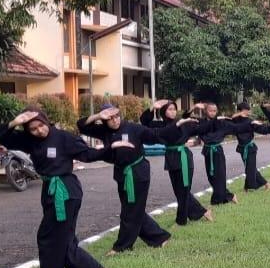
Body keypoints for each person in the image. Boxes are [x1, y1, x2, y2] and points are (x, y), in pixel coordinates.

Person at [0, 109, 130, 268]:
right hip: (49, 190)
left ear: (46, 121)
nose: (39, 131)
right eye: (33, 129)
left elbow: (88, 155)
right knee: (64, 240)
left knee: (49, 238)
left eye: (41, 125)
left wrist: (110, 147)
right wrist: (14, 122)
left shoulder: (63, 138)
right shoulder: (29, 140)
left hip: (66, 192)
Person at [78, 105, 188, 255]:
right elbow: (81, 125)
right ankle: (160, 238)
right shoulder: (103, 130)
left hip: (138, 172)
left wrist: (176, 126)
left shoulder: (133, 128)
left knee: (129, 211)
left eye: (117, 116)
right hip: (121, 174)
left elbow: (156, 134)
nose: (115, 120)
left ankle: (122, 247)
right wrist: (98, 116)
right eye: (110, 118)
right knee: (134, 210)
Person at [140, 99, 214, 225]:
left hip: (184, 158)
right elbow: (144, 122)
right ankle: (201, 212)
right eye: (170, 109)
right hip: (171, 158)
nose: (173, 111)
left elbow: (202, 127)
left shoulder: (183, 123)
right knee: (179, 191)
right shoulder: (160, 125)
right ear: (164, 111)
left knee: (183, 191)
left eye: (174, 109)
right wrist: (152, 108)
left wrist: (204, 116)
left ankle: (181, 221)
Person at [231, 102, 270, 192]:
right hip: (242, 148)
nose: (247, 112)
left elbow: (263, 130)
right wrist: (240, 113)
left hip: (250, 148)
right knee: (250, 168)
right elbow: (230, 118)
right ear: (240, 111)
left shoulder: (250, 121)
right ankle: (249, 187)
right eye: (245, 110)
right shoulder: (235, 120)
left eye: (248, 110)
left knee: (250, 168)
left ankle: (265, 185)